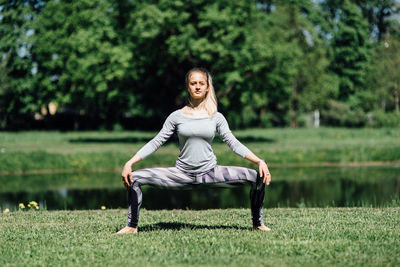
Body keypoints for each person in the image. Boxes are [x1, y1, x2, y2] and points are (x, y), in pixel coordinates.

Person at [117, 68, 272, 234]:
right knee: (135, 178)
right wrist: (130, 162)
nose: (197, 87)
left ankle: (258, 224)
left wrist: (259, 161)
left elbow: (233, 143)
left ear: (207, 88)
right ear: (188, 87)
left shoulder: (216, 117)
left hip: (211, 173)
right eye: (193, 83)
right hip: (181, 174)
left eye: (201, 83)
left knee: (259, 177)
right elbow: (156, 142)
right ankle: (131, 226)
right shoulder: (176, 116)